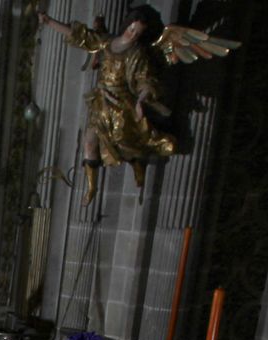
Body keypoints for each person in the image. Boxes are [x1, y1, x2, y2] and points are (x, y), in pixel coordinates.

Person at [39, 4, 173, 205]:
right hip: (101, 102)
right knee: (90, 142)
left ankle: (138, 164)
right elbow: (82, 37)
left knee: (126, 141)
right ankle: (92, 188)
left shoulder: (137, 54)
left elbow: (146, 80)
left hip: (121, 104)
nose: (133, 34)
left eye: (138, 32)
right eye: (132, 29)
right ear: (127, 25)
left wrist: (142, 100)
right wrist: (50, 22)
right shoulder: (107, 42)